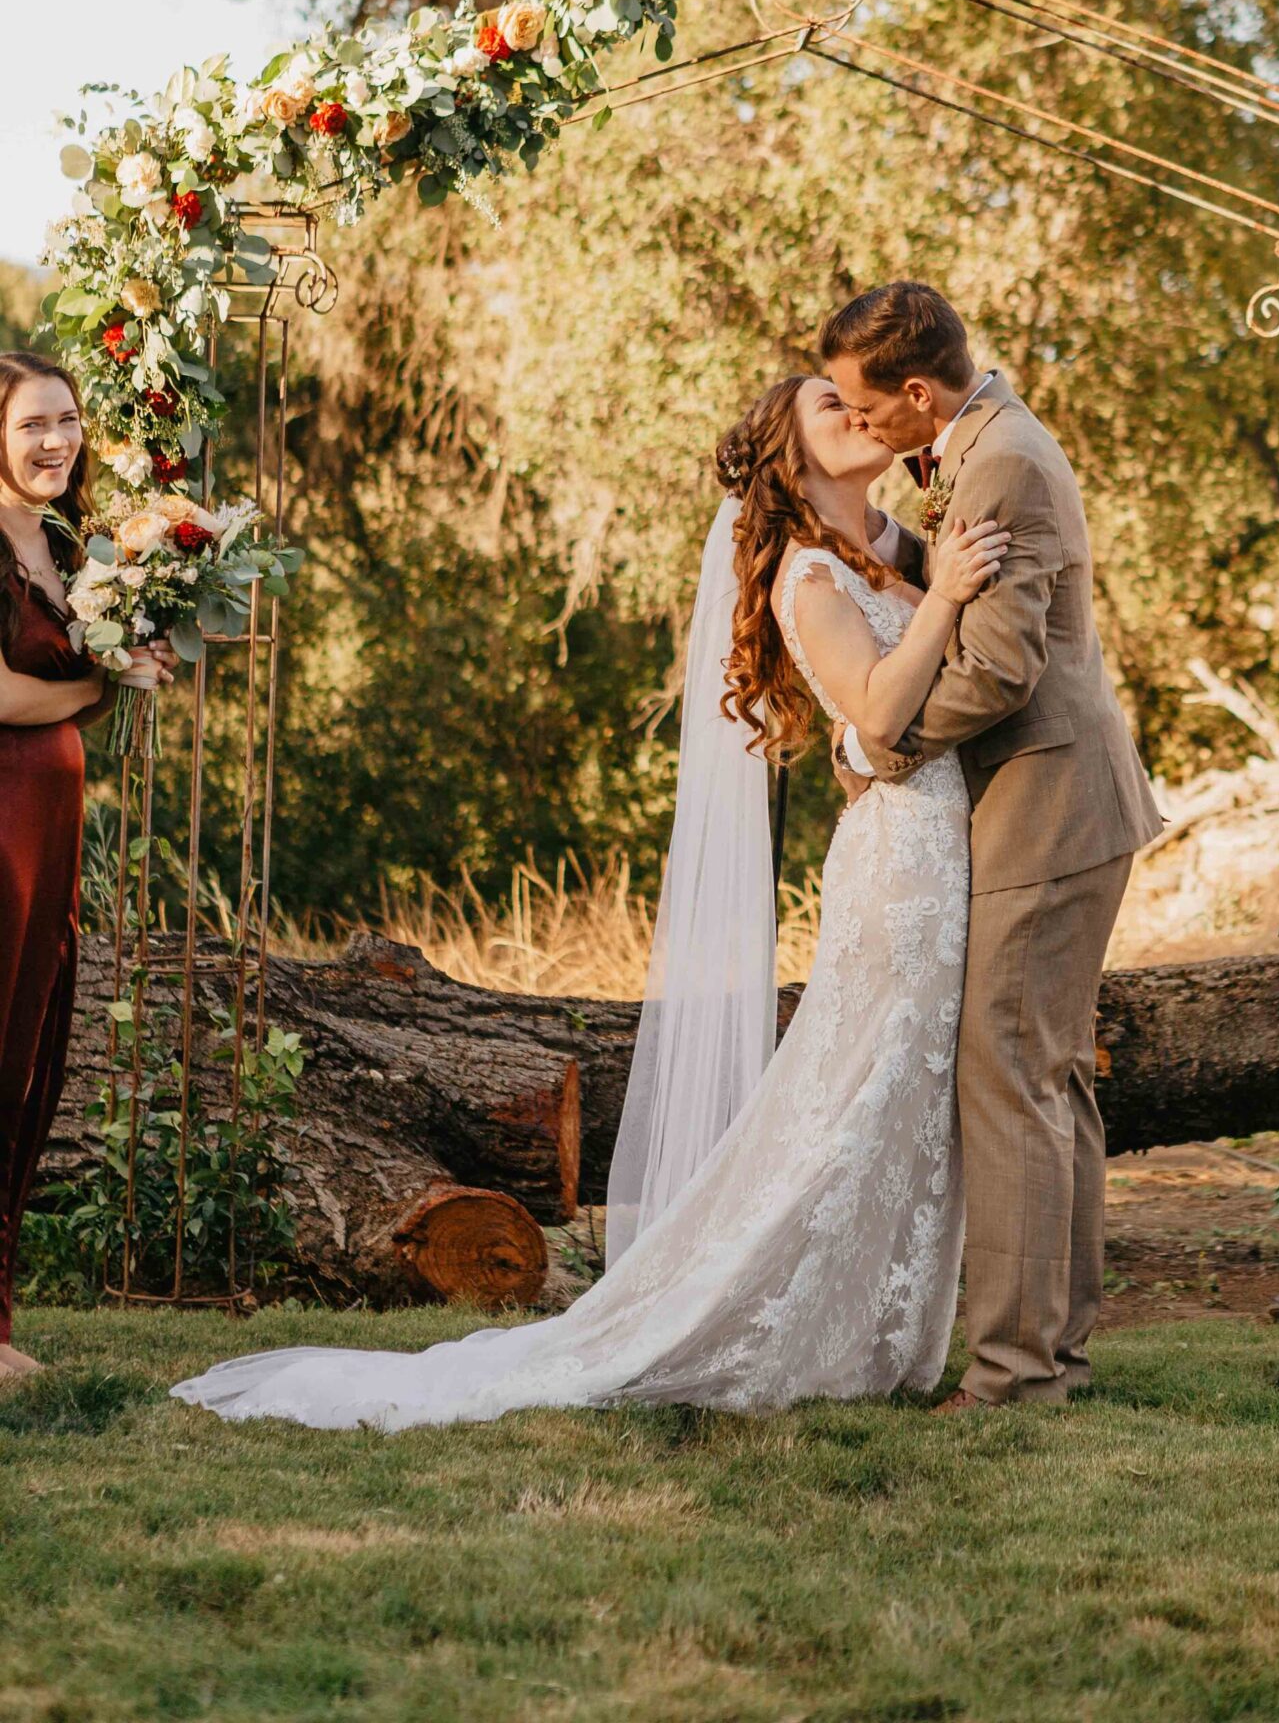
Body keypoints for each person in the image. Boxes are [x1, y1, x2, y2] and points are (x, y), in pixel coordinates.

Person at [175, 374, 1005, 1427]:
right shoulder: (805, 575)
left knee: (903, 1098)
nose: (855, 410)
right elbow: (880, 717)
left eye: (856, 397)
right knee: (855, 1097)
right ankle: (758, 1316)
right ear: (790, 457)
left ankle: (879, 1325)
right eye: (827, 406)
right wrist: (941, 603)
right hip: (900, 874)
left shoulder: (901, 541)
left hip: (949, 851)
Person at [821, 283, 1161, 1410]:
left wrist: (885, 742)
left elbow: (1005, 666)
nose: (864, 430)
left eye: (871, 412)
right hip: (1054, 800)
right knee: (1047, 1072)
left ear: (918, 395)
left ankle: (1017, 1371)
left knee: (1011, 1071)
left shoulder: (1002, 460)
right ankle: (1054, 1346)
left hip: (1049, 801)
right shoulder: (984, 449)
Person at [0, 351, 174, 1384]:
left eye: (67, 420)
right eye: (32, 424)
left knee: (28, 1052)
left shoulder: (72, 540)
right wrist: (99, 684)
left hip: (52, 820)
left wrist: (133, 662)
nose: (57, 440)